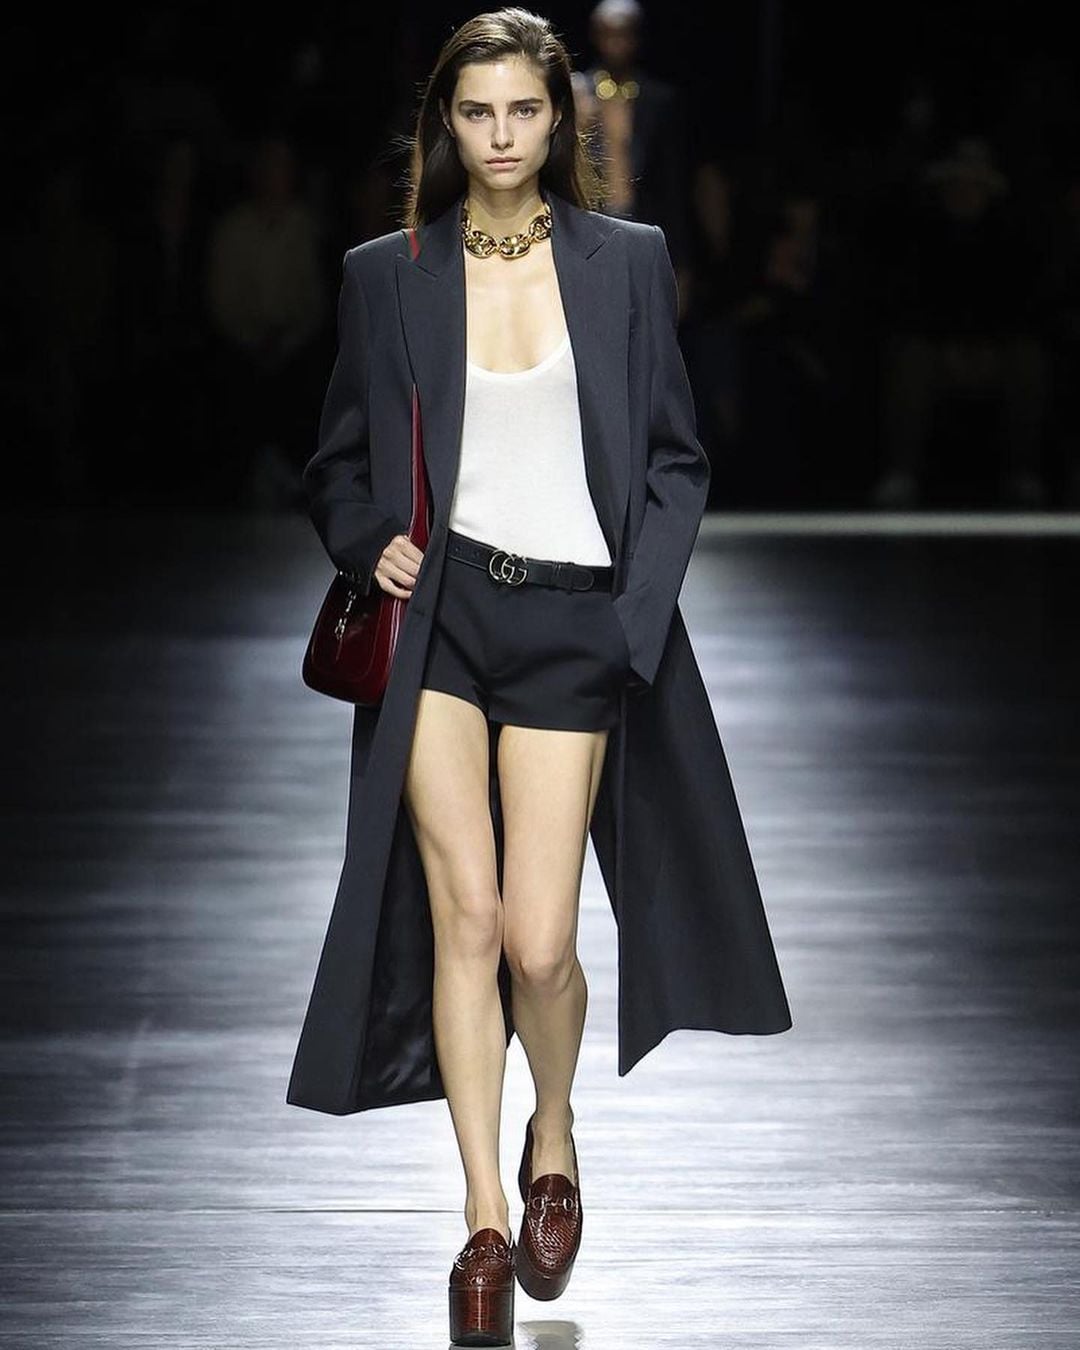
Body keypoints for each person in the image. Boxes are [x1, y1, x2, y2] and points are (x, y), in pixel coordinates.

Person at [289, 9, 791, 1345]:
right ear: (444, 127)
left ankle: (552, 1132)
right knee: (463, 918)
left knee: (541, 938)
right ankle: (481, 1224)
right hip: (444, 621)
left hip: (576, 622)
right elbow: (335, 458)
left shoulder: (627, 262)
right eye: (476, 114)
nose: (502, 137)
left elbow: (676, 457)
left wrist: (635, 619)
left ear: (557, 119)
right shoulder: (385, 272)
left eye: (523, 112)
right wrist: (369, 541)